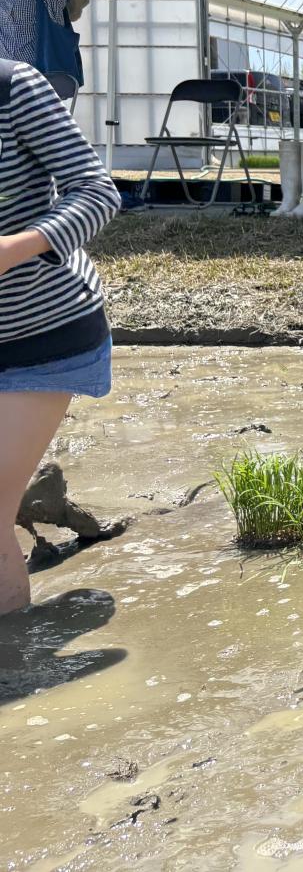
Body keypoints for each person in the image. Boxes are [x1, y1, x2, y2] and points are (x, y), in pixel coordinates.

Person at [0, 57, 121, 614]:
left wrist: (14, 249)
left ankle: (13, 676)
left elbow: (97, 191)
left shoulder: (13, 87)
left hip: (38, 334)